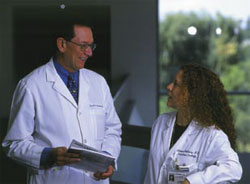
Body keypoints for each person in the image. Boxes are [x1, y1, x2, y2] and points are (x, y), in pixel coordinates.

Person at [2, 22, 122, 184]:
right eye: (83, 46)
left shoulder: (98, 83)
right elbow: (14, 143)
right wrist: (48, 155)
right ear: (62, 44)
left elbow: (112, 129)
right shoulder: (31, 85)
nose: (89, 53)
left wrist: (108, 158)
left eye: (91, 46)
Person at [144, 63, 242, 184]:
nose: (169, 87)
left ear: (191, 95)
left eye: (176, 84)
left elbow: (233, 169)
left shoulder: (211, 135)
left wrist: (192, 181)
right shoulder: (161, 123)